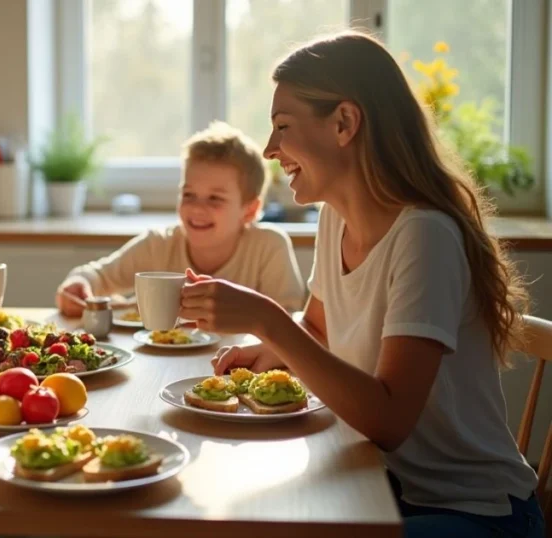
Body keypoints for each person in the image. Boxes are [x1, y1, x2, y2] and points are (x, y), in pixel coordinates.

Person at [185, 31, 545, 538]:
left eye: (283, 126)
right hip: (384, 482)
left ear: (344, 123)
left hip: (474, 512)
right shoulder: (335, 219)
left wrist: (266, 321)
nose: (270, 149)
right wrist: (267, 350)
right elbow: (318, 328)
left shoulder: (425, 235)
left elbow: (389, 420)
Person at [55, 121, 305, 317]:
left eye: (215, 199)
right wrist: (77, 284)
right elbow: (95, 276)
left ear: (249, 211)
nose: (197, 208)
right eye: (189, 194)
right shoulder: (158, 245)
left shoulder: (269, 247)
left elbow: (290, 318)